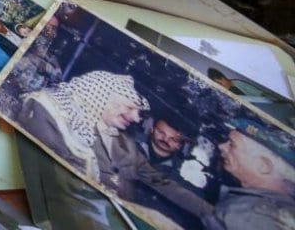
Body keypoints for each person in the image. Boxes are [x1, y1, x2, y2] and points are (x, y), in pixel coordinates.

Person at [17, 71, 213, 223]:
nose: (136, 118)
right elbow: (58, 184)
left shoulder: (124, 143)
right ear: (100, 96)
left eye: (137, 112)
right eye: (129, 107)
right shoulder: (51, 113)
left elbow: (162, 183)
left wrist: (212, 214)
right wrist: (137, 212)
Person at [210, 118, 295, 229]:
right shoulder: (281, 211)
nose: (221, 146)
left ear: (263, 166)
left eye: (232, 145)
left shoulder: (247, 214)